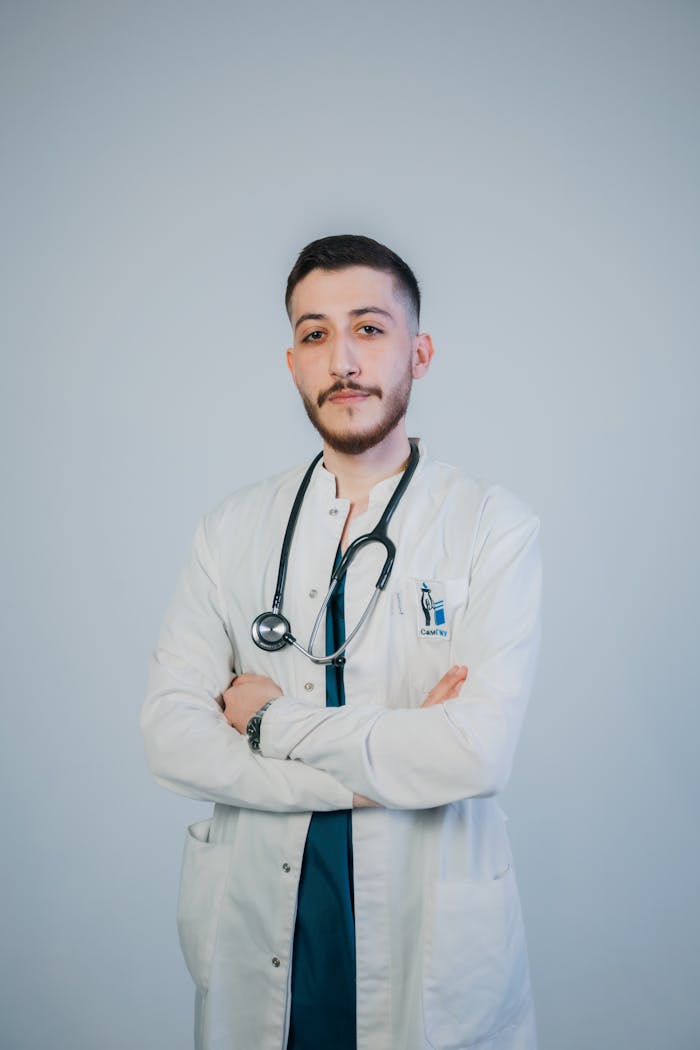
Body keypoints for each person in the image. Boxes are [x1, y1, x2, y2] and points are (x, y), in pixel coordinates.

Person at [142, 234, 542, 1050]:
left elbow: (476, 753)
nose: (344, 359)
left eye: (370, 328)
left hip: (429, 926)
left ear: (418, 352)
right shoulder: (230, 531)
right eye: (316, 334)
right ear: (292, 362)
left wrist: (267, 720)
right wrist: (378, 775)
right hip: (267, 921)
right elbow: (169, 738)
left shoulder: (492, 526)